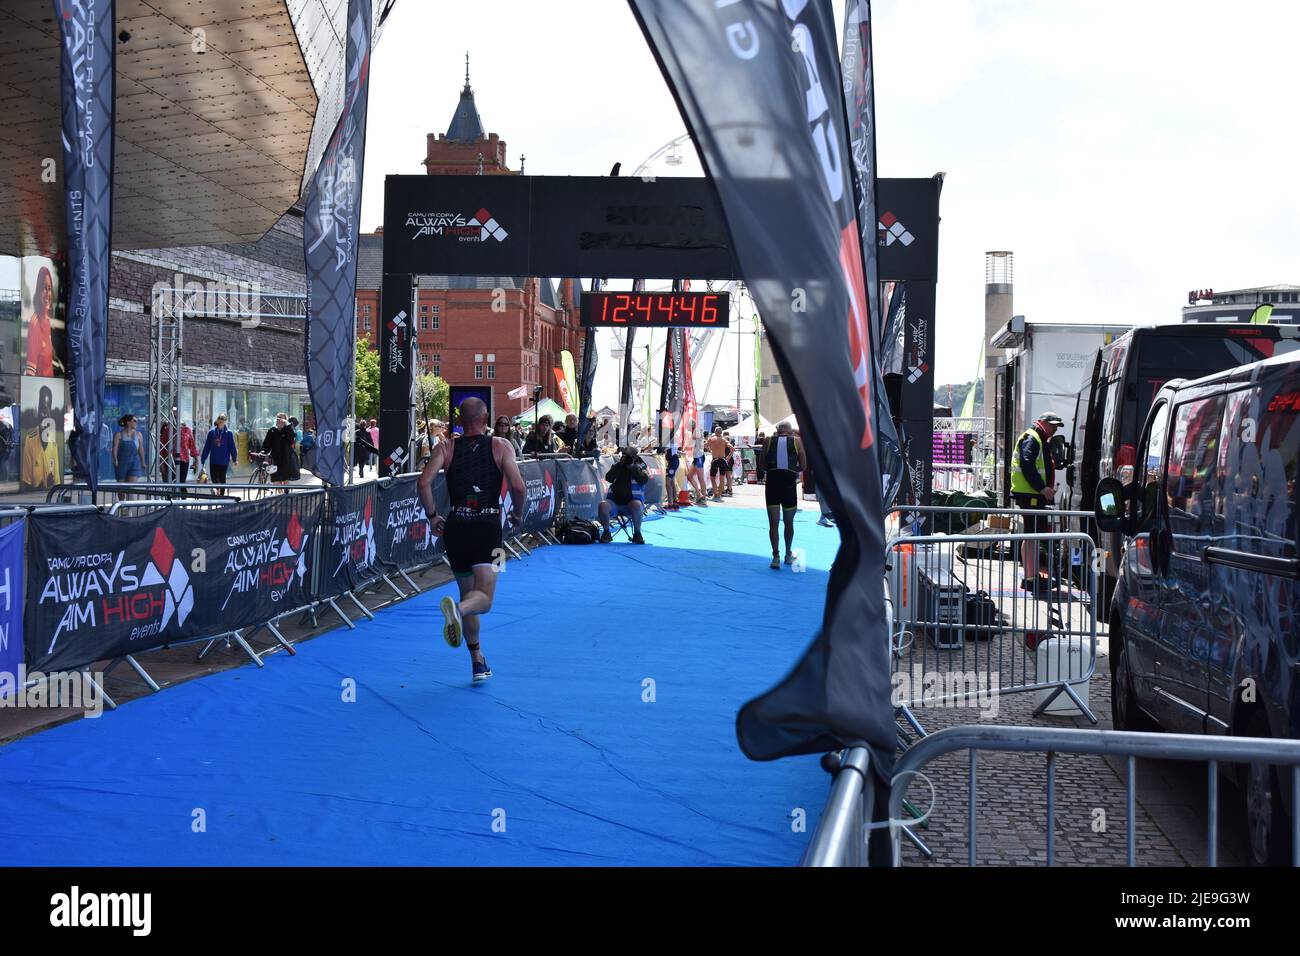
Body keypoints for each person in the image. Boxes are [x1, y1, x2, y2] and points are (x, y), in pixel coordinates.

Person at [419, 397, 526, 684]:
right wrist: (517, 514)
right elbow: (517, 486)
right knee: (484, 601)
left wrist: (432, 516)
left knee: (469, 592)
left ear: (459, 420)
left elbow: (423, 482)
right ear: (486, 417)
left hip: (455, 528)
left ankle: (477, 661)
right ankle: (458, 609)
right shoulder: (501, 446)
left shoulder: (446, 447)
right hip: (489, 527)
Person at [1010, 412, 1065, 594]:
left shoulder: (1039, 438)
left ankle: (1031, 576)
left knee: (1032, 535)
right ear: (1042, 422)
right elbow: (1027, 464)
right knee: (1031, 535)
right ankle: (1030, 578)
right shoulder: (1033, 438)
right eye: (1052, 425)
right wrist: (1042, 488)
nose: (1055, 429)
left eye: (1057, 426)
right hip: (1030, 494)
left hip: (1032, 494)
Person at [763, 422, 806, 569]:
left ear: (777, 430)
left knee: (773, 523)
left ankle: (775, 556)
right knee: (789, 522)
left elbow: (762, 465)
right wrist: (792, 469)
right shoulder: (797, 441)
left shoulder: (768, 441)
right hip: (788, 486)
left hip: (772, 486)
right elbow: (804, 466)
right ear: (790, 431)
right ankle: (788, 554)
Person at [598, 446, 650, 544]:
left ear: (635, 457)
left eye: (630, 457)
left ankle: (637, 533)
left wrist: (633, 468)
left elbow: (644, 480)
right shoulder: (617, 465)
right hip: (615, 503)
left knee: (637, 504)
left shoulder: (641, 466)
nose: (627, 459)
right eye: (625, 456)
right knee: (603, 504)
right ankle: (606, 532)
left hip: (631, 504)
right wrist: (620, 465)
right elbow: (608, 478)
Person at [21, 385, 59, 490]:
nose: (43, 414)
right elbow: (26, 484)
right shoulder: (30, 439)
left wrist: (51, 484)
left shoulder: (53, 442)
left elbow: (57, 483)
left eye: (47, 409)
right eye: (41, 408)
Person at [24, 266, 55, 377]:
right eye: (44, 288)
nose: (47, 293)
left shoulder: (47, 321)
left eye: (49, 288)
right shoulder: (34, 325)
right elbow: (30, 373)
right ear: (38, 291)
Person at [112, 413, 146, 500]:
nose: (136, 423)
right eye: (134, 421)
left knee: (131, 487)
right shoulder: (118, 435)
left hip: (134, 463)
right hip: (121, 463)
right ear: (128, 422)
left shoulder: (138, 435)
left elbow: (140, 449)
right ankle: (122, 504)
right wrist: (115, 459)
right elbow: (114, 448)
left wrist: (143, 462)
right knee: (121, 487)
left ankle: (129, 508)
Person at [263, 412, 301, 487]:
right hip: (275, 459)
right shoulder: (272, 430)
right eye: (278, 418)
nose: (279, 420)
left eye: (282, 419)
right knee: (275, 480)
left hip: (286, 459)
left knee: (285, 480)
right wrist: (264, 451)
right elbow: (266, 444)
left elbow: (292, 440)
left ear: (285, 421)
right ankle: (278, 496)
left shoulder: (288, 430)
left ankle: (284, 495)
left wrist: (287, 426)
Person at [201, 414, 238, 485]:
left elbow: (232, 447)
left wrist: (234, 458)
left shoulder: (228, 433)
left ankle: (221, 494)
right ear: (217, 421)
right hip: (213, 460)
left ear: (225, 422)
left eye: (223, 421)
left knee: (222, 479)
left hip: (224, 461)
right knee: (214, 479)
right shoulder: (211, 432)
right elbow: (207, 447)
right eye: (220, 421)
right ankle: (216, 492)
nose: (221, 423)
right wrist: (203, 458)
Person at [684, 419, 708, 506]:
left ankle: (703, 498)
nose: (688, 429)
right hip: (697, 457)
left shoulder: (696, 431)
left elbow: (691, 445)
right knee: (689, 476)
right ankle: (699, 494)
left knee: (700, 478)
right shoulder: (697, 431)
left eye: (688, 427)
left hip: (699, 457)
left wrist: (684, 449)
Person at [705, 426, 732, 502]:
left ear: (715, 432)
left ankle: (715, 494)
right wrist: (729, 456)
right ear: (721, 432)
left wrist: (711, 450)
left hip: (715, 460)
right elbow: (732, 448)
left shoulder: (711, 439)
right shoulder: (724, 440)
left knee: (712, 478)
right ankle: (719, 495)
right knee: (722, 478)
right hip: (723, 460)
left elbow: (704, 445)